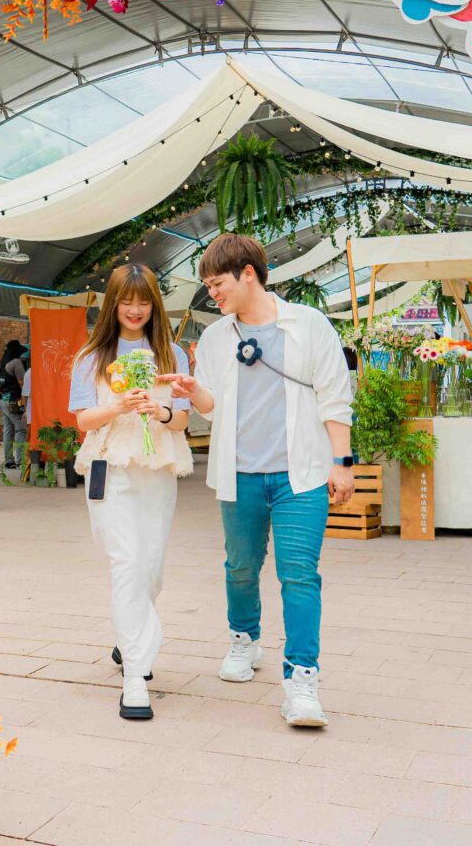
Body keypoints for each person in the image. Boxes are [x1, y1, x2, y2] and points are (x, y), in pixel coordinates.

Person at [162, 233, 354, 728]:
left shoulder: (308, 325)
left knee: (299, 575)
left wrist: (342, 462)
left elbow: (335, 396)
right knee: (241, 568)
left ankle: (302, 681)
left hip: (302, 474)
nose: (214, 294)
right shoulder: (214, 338)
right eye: (207, 286)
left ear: (249, 273)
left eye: (218, 283)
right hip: (238, 474)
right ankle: (244, 639)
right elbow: (211, 407)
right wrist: (193, 390)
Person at [68, 264, 195, 722]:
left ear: (154, 304)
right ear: (113, 304)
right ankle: (135, 677)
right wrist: (115, 407)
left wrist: (160, 411)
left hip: (157, 469)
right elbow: (81, 420)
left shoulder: (171, 354)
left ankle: (129, 640)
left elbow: (182, 419)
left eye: (143, 302)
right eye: (127, 301)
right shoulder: (91, 356)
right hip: (109, 467)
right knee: (127, 561)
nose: (136, 310)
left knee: (152, 568)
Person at [0, 340, 28, 469]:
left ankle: (9, 460)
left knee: (8, 430)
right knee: (21, 429)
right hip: (14, 401)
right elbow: (22, 384)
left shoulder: (1, 364)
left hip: (3, 399)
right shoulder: (16, 363)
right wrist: (26, 402)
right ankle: (21, 460)